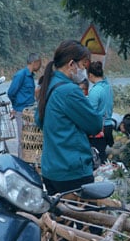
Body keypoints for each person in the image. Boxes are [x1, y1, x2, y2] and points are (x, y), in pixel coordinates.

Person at [35, 40, 102, 195]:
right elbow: (95, 124)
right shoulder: (69, 91)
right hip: (71, 170)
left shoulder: (49, 84)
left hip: (51, 169)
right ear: (72, 64)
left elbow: (39, 120)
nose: (84, 70)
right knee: (80, 217)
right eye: (83, 65)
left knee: (59, 217)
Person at [7, 52, 42, 159]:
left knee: (31, 139)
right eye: (39, 63)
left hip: (29, 112)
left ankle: (30, 162)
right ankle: (21, 164)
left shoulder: (30, 77)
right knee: (23, 140)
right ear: (34, 62)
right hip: (21, 111)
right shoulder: (21, 75)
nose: (40, 66)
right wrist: (16, 106)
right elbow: (11, 92)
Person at [86, 60, 115, 163]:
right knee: (106, 161)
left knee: (98, 160)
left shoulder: (95, 90)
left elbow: (91, 113)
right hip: (109, 126)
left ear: (90, 75)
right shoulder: (108, 87)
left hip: (99, 130)